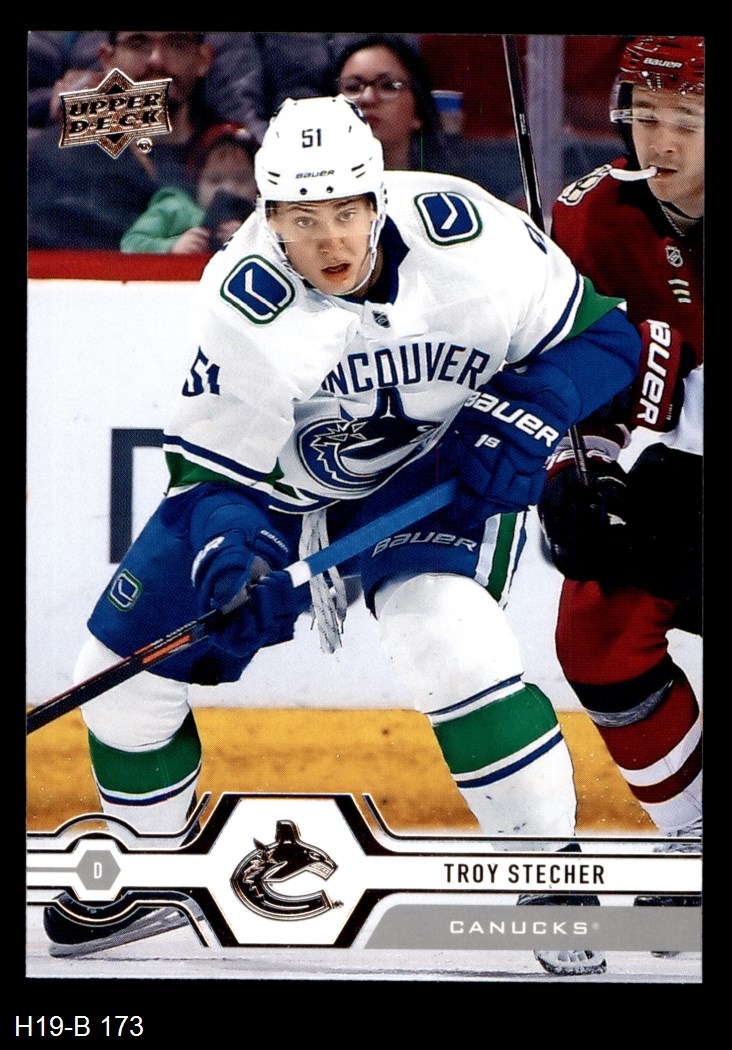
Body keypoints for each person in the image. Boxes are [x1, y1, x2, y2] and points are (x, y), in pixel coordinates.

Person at [43, 95, 642, 974]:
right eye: (301, 219)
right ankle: (151, 876)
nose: (329, 242)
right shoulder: (242, 299)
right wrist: (234, 557)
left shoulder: (472, 236)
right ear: (269, 215)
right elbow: (215, 476)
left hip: (435, 469)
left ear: (378, 198)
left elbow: (607, 339)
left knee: (448, 640)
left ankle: (549, 883)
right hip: (277, 489)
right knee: (116, 683)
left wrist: (529, 410)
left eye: (346, 213)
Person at [538, 37, 703, 909]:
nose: (660, 143)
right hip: (683, 469)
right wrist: (580, 467)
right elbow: (585, 371)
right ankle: (694, 840)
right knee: (599, 633)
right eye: (645, 117)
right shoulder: (593, 215)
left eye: (688, 121)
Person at [28, 32, 218, 250]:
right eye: (138, 43)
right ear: (106, 58)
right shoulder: (59, 155)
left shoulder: (232, 150)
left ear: (203, 59)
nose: (156, 59)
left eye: (177, 43)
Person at [120, 123, 257, 254]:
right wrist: (172, 247)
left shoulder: (259, 220)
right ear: (196, 183)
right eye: (215, 180)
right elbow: (130, 244)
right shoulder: (174, 208)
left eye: (241, 180)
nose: (228, 189)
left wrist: (247, 240)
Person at [333, 35, 449, 172]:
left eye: (387, 86)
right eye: (352, 87)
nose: (367, 98)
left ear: (418, 110)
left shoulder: (452, 182)